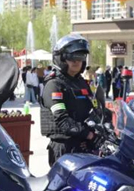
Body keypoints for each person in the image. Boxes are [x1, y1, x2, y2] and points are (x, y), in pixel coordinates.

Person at [40, 34, 98, 166]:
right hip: (64, 148)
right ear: (61, 58)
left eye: (80, 57)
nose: (76, 61)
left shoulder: (81, 83)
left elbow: (94, 108)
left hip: (84, 145)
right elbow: (62, 121)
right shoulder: (54, 85)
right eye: (72, 57)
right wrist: (88, 134)